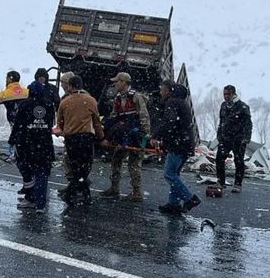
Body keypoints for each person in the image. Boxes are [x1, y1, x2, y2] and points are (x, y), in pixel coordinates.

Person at [151, 80, 201, 214]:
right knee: (175, 174)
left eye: (162, 89)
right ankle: (174, 204)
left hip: (178, 145)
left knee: (169, 174)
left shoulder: (172, 102)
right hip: (184, 143)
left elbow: (169, 122)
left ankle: (190, 198)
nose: (160, 92)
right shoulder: (182, 103)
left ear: (168, 91)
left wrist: (156, 135)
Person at [100, 72, 150, 202]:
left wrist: (145, 136)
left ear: (123, 82)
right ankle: (115, 188)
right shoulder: (118, 98)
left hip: (135, 135)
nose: (115, 83)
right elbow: (114, 116)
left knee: (134, 164)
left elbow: (144, 116)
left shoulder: (136, 97)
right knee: (116, 159)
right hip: (124, 135)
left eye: (117, 81)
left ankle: (137, 192)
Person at [57, 75, 104, 205]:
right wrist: (101, 137)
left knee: (75, 167)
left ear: (70, 86)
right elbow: (96, 122)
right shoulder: (91, 100)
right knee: (85, 167)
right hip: (86, 138)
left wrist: (67, 128)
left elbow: (59, 123)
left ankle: (76, 193)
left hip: (71, 139)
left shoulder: (65, 102)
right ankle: (81, 194)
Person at [9, 81, 55, 213]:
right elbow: (50, 123)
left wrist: (12, 141)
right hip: (45, 144)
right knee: (42, 173)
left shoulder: (24, 105)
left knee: (28, 171)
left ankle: (30, 197)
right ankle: (41, 203)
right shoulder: (48, 104)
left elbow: (18, 125)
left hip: (27, 145)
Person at [215, 84, 253, 193]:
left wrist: (246, 138)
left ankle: (237, 184)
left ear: (233, 94)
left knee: (239, 161)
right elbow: (221, 122)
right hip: (225, 138)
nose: (226, 96)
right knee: (219, 159)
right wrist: (219, 135)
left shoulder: (243, 107)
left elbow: (248, 124)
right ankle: (220, 181)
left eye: (228, 94)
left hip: (238, 139)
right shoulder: (223, 106)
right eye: (224, 94)